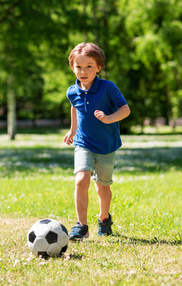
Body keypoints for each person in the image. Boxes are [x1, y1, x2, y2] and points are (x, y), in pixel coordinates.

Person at [63, 42, 130, 240]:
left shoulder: (108, 88)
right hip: (83, 143)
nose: (83, 71)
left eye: (89, 66)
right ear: (72, 67)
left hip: (107, 146)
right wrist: (73, 129)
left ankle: (104, 218)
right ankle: (81, 225)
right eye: (79, 67)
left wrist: (109, 118)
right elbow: (75, 107)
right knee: (81, 180)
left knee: (103, 186)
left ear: (98, 67)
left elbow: (125, 110)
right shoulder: (72, 91)